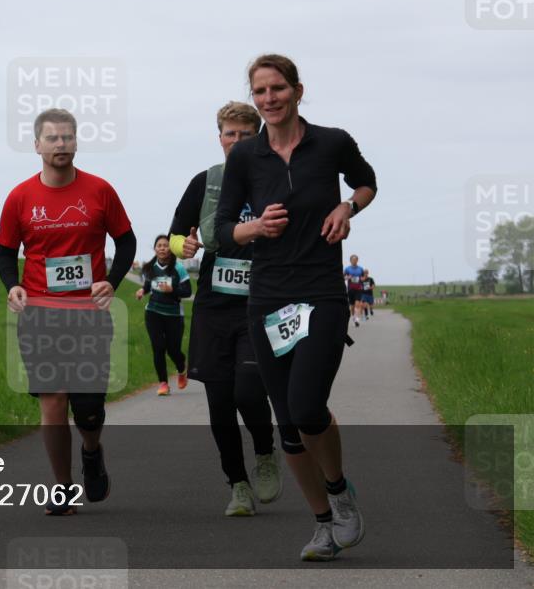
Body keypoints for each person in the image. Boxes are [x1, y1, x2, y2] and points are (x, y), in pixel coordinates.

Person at [214, 54, 377, 561]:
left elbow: (367, 181)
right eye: (260, 91)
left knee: (308, 408)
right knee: (288, 422)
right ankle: (324, 523)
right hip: (268, 298)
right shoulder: (245, 158)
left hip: (323, 292)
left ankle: (338, 488)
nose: (269, 99)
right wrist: (256, 228)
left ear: (298, 91)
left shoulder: (332, 142)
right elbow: (222, 232)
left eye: (278, 88)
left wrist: (348, 207)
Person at [0, 108, 136, 516]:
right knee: (53, 401)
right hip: (40, 313)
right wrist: (14, 285)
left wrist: (111, 278)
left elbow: (126, 241)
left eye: (67, 138)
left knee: (89, 410)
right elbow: (5, 253)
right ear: (37, 145)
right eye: (52, 138)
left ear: (76, 142)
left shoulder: (99, 191)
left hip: (87, 313)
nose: (60, 144)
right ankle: (62, 487)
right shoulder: (20, 197)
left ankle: (91, 451)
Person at [168, 101, 282, 517]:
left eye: (244, 134)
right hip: (214, 305)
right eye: (229, 134)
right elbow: (176, 233)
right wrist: (187, 246)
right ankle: (237, 485)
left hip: (261, 302)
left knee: (248, 390)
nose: (236, 141)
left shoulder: (275, 179)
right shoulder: (206, 182)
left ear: (259, 136)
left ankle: (266, 450)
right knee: (219, 402)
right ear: (219, 138)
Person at [135, 235, 191, 396]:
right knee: (158, 348)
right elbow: (147, 286)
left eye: (165, 245)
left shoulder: (178, 269)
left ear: (171, 249)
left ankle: (181, 369)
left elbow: (187, 292)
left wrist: (172, 290)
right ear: (155, 249)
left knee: (173, 350)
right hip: (153, 312)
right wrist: (142, 291)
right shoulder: (151, 268)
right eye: (159, 245)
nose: (162, 248)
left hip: (174, 315)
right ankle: (163, 383)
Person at [344, 255, 365, 326]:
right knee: (352, 306)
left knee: (357, 305)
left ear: (357, 260)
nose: (354, 261)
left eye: (356, 260)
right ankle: (353, 317)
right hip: (350, 289)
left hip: (358, 289)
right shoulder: (347, 269)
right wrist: (347, 277)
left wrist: (362, 279)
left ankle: (357, 320)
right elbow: (343, 277)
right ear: (350, 261)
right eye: (353, 260)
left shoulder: (361, 269)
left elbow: (363, 277)